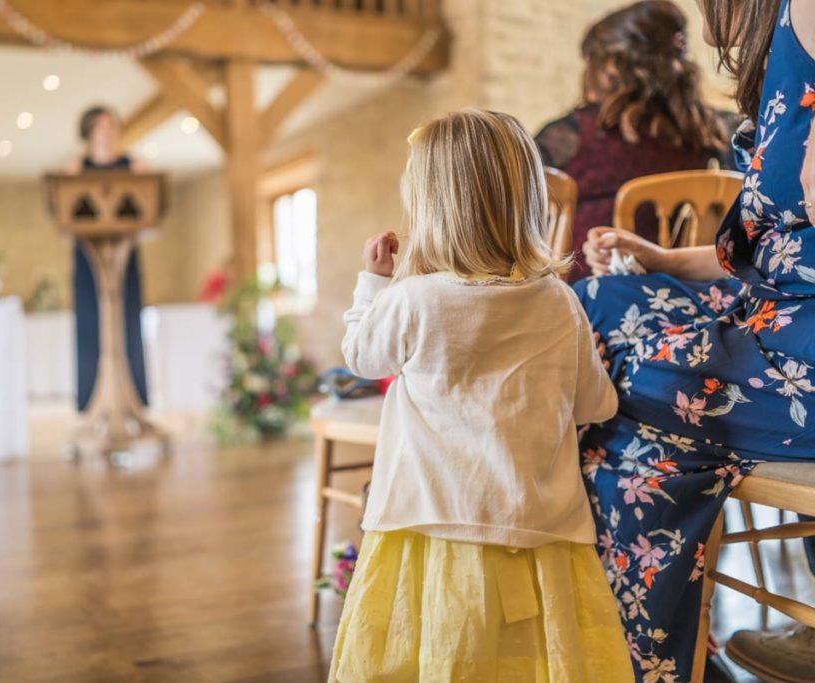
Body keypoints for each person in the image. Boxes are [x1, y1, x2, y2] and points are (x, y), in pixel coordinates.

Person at [327, 109, 633, 682]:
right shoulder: (558, 302)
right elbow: (599, 407)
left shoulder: (413, 298)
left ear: (430, 206)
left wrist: (372, 283)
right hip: (540, 531)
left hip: (428, 524)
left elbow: (361, 356)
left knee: (435, 658)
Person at [574, 1, 815, 679]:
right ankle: (646, 643)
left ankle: (633, 653)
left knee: (620, 389)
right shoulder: (779, 55)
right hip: (773, 314)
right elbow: (768, 249)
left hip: (802, 350)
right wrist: (661, 257)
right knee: (585, 307)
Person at [535, 0, 732, 282]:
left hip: (586, 299)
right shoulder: (710, 132)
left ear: (611, 67)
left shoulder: (570, 136)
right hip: (683, 292)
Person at [70, 106, 149, 412]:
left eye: (112, 126)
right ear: (89, 131)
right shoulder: (77, 167)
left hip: (124, 255)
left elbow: (148, 203)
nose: (108, 132)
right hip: (89, 258)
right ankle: (92, 400)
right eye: (101, 127)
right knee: (92, 323)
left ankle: (133, 397)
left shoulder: (133, 164)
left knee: (127, 320)